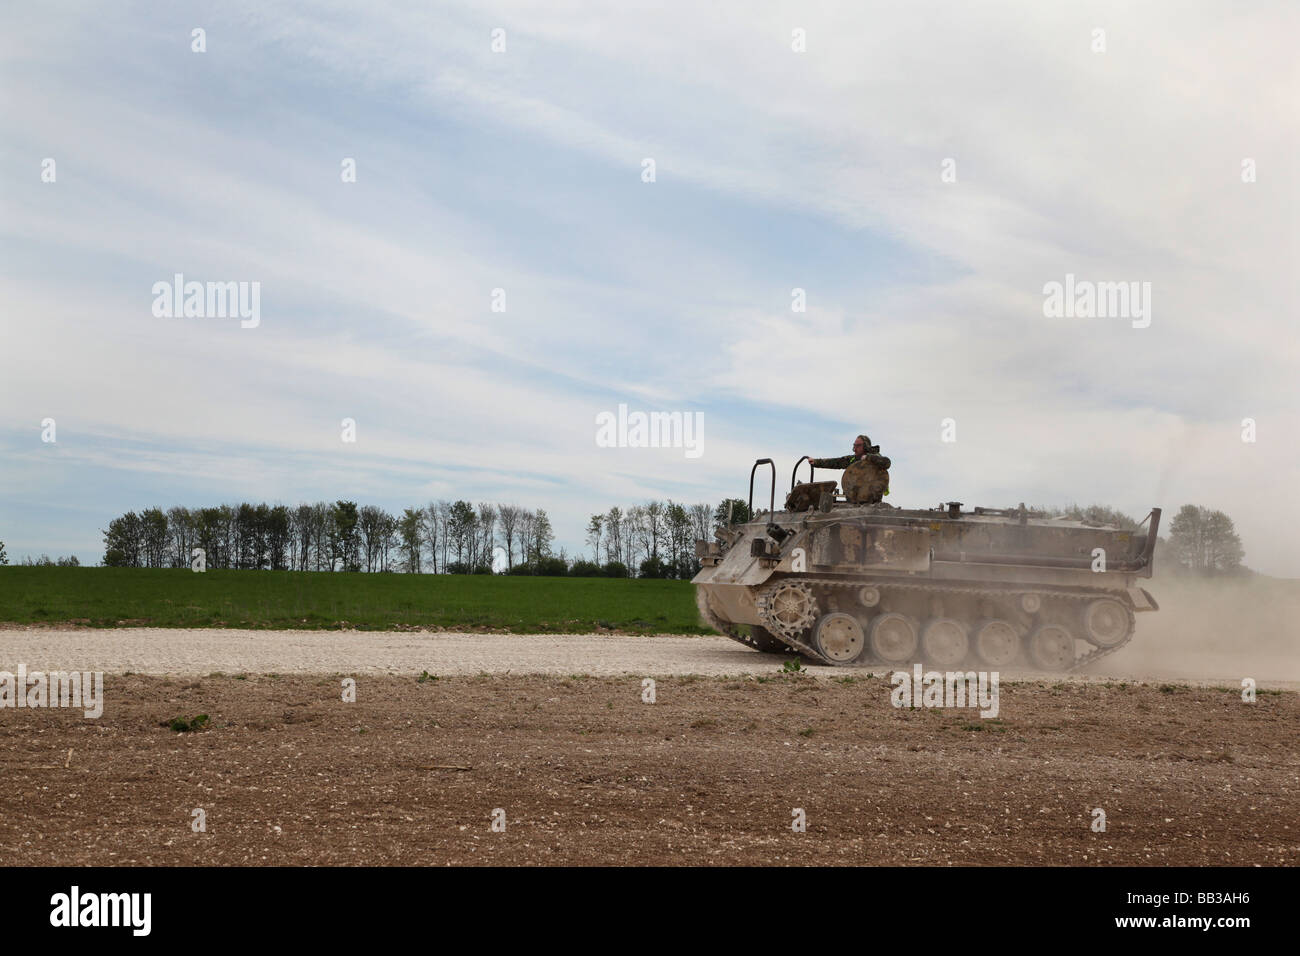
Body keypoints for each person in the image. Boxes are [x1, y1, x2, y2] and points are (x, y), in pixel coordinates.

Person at [809, 434, 891, 502]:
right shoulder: (853, 459)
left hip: (873, 499)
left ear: (866, 446)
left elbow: (887, 463)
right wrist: (816, 462)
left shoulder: (875, 458)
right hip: (854, 500)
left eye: (858, 446)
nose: (855, 449)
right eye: (854, 446)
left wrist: (868, 458)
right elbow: (836, 462)